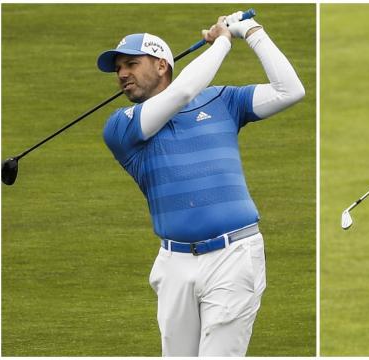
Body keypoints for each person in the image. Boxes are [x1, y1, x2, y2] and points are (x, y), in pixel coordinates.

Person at [97, 11, 304, 356]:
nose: (122, 74)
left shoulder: (223, 100)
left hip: (234, 255)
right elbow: (182, 92)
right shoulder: (120, 126)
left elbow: (290, 90)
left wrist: (250, 31)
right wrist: (223, 40)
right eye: (118, 69)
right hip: (174, 262)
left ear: (162, 65)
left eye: (131, 64)